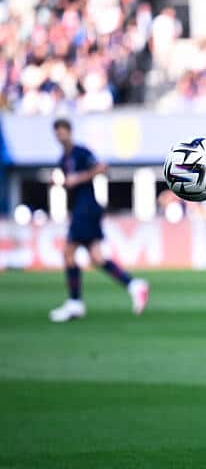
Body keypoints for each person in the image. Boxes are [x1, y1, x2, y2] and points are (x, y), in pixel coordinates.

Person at [48, 118, 148, 322]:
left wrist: (78, 178)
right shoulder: (63, 159)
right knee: (96, 258)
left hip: (87, 209)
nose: (60, 136)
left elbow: (102, 168)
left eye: (63, 131)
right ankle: (134, 285)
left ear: (69, 131)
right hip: (80, 209)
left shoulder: (81, 152)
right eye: (57, 133)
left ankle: (75, 302)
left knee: (69, 253)